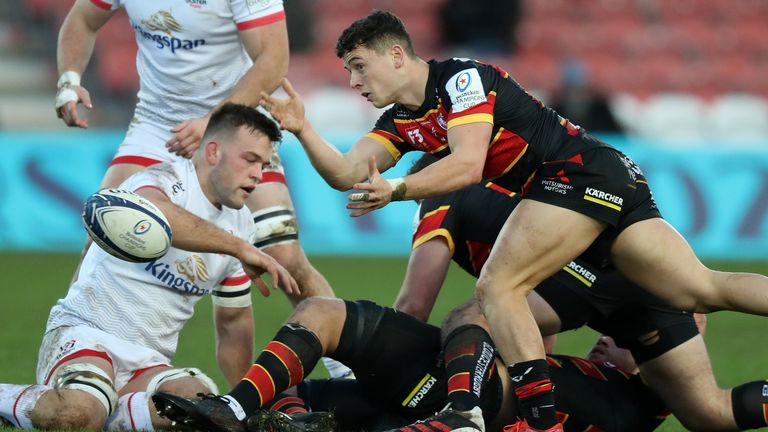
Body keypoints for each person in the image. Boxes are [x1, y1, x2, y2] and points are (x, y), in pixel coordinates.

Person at [258, 10, 768, 431]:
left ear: (396, 55)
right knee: (699, 289)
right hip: (608, 174)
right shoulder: (401, 123)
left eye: (359, 66)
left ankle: (538, 421)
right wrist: (303, 129)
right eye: (348, 71)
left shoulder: (460, 79)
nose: (353, 82)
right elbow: (349, 172)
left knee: (498, 287)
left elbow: (468, 164)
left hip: (575, 175)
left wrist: (397, 189)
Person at [393, 154, 768, 431]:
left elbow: (414, 303)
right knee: (711, 414)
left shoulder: (439, 198)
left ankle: (460, 415)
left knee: (468, 316)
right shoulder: (503, 189)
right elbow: (527, 313)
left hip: (580, 274)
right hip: (637, 280)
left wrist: (378, 371)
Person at [0, 104, 298, 430]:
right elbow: (160, 214)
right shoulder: (162, 179)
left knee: (200, 408)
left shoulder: (242, 225)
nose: (259, 174)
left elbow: (233, 323)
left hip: (147, 363)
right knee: (81, 412)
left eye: (264, 165)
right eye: (251, 160)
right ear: (213, 151)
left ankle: (106, 411)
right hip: (85, 334)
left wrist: (244, 406)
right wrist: (239, 249)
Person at [54, 0, 334, 311]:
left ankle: (344, 357)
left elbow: (274, 59)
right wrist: (69, 80)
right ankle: (73, 346)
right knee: (102, 235)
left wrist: (214, 121)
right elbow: (82, 19)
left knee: (284, 254)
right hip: (159, 124)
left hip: (234, 123)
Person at [152, 297, 671, 432]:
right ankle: (233, 405)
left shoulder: (632, 406)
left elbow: (686, 319)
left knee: (478, 309)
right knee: (319, 320)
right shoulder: (575, 370)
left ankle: (460, 413)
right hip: (436, 374)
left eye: (624, 340)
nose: (606, 339)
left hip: (471, 399)